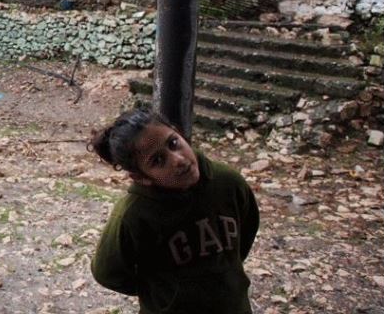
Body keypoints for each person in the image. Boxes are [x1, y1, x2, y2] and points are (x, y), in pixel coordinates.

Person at [88, 108, 259, 314]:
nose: (177, 159)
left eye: (173, 143)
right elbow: (107, 272)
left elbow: (247, 227)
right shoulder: (134, 215)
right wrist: (160, 292)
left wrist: (226, 270)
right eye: (158, 161)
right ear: (141, 177)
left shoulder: (227, 182)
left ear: (178, 132)